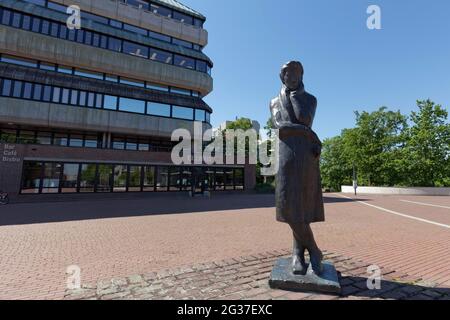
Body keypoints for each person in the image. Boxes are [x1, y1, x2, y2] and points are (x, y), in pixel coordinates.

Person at [270, 61, 325, 275]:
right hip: (286, 156)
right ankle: (314, 250)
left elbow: (305, 119)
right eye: (288, 73)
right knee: (288, 206)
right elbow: (280, 127)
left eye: (296, 73)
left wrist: (304, 132)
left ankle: (297, 254)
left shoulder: (311, 99)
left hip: (306, 156)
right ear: (281, 77)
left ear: (302, 75)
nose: (292, 76)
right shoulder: (274, 101)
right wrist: (308, 133)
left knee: (301, 206)